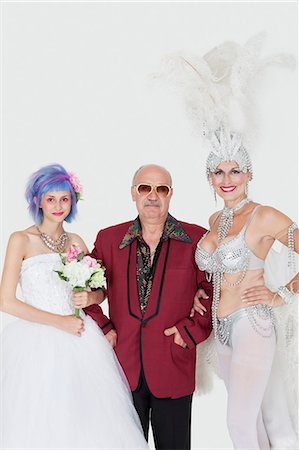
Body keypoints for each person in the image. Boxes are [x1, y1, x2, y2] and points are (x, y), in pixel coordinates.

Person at [0, 163, 149, 449]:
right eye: (50, 199)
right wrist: (60, 321)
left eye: (64, 198)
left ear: (73, 200)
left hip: (81, 338)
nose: (58, 205)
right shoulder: (21, 240)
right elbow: (6, 301)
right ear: (38, 201)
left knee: (88, 419)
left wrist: (91, 298)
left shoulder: (77, 242)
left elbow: (99, 290)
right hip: (37, 343)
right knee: (42, 419)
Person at [79, 163, 212, 450]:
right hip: (123, 369)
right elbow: (82, 284)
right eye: (145, 188)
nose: (153, 195)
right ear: (133, 193)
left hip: (173, 365)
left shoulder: (195, 239)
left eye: (161, 189)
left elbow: (217, 289)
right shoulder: (109, 239)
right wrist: (103, 326)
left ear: (170, 195)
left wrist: (189, 332)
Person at [193, 148, 298, 449]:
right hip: (222, 331)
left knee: (238, 422)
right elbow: (215, 271)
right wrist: (202, 291)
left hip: (252, 324)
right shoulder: (215, 219)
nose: (227, 180)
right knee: (250, 421)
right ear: (210, 178)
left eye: (235, 171)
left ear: (249, 174)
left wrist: (281, 294)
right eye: (219, 172)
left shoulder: (262, 215)